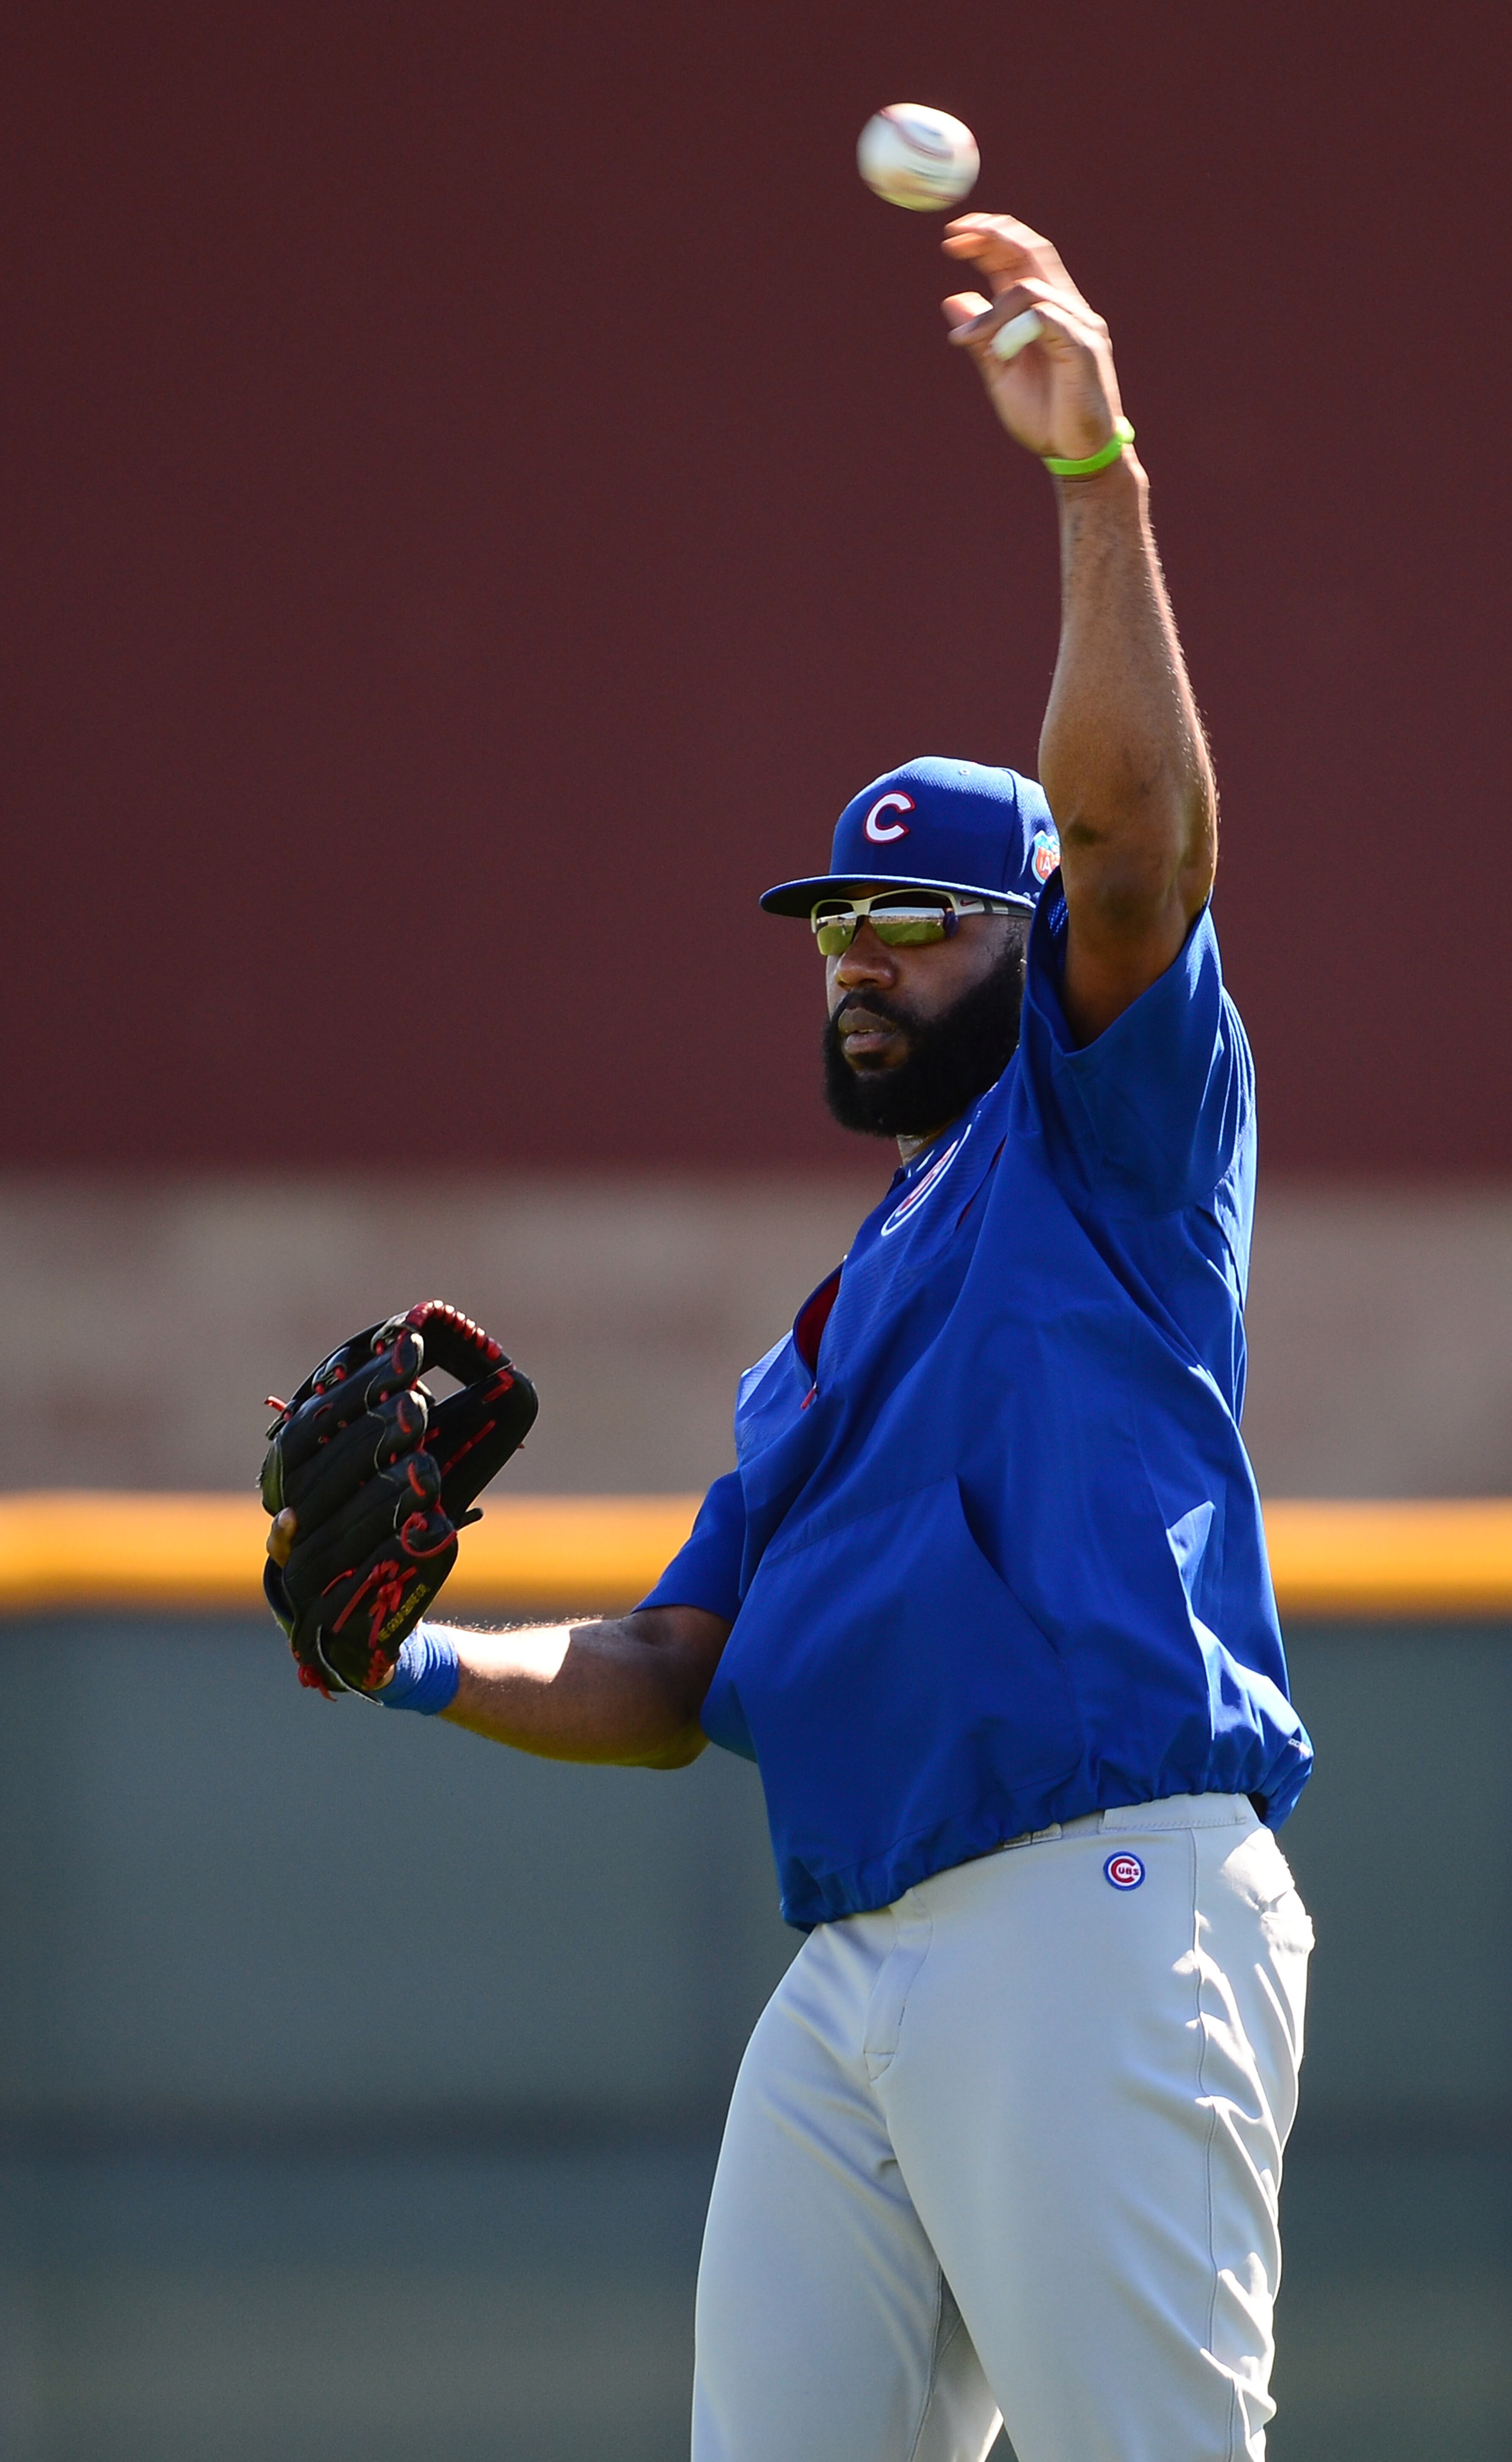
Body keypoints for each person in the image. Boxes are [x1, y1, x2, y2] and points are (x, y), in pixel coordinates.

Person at [269, 213, 1315, 2462]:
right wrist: (414, 1657)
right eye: (832, 919)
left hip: (1101, 1882)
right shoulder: (834, 1332)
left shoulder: (1105, 1133)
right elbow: (673, 1674)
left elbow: (1140, 853)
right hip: (859, 1952)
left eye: (915, 919)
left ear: (1031, 949)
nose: (854, 953)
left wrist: (1095, 475)